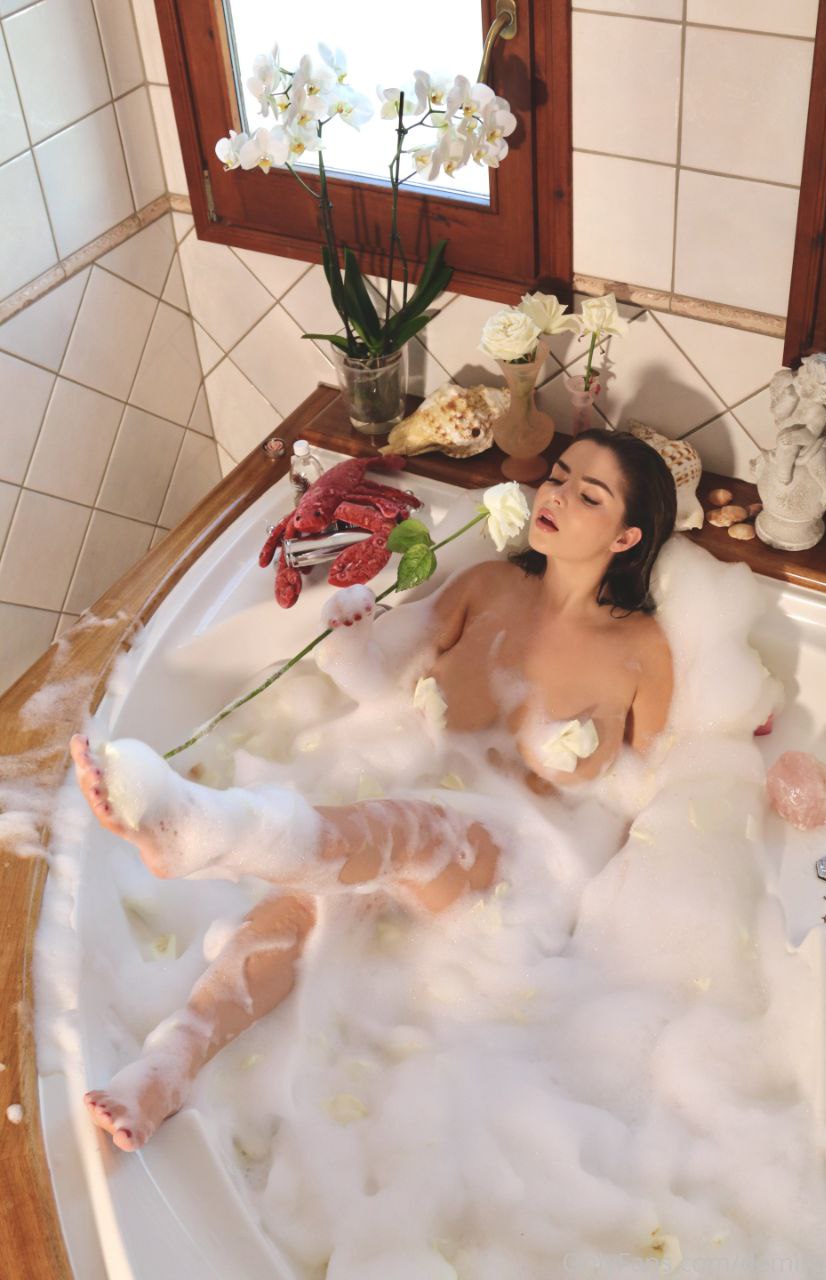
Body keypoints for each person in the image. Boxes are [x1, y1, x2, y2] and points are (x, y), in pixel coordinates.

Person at [71, 428, 677, 1151]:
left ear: (626, 538)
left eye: (589, 496)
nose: (557, 495)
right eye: (559, 475)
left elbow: (661, 792)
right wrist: (353, 637)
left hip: (520, 870)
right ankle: (165, 1068)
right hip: (402, 808)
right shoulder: (486, 586)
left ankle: (208, 830)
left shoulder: (641, 651)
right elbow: (387, 677)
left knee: (409, 828)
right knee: (294, 912)